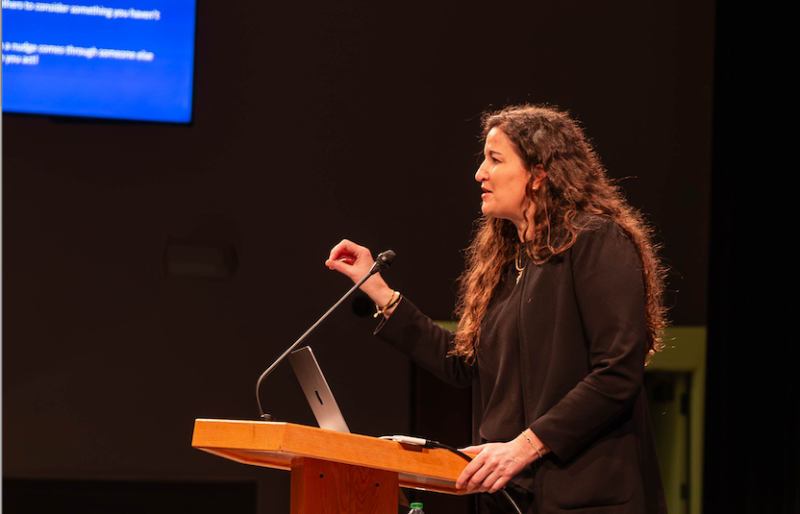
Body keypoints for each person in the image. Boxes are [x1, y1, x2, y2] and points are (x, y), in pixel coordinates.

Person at [325, 104, 669, 513]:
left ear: (540, 173)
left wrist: (524, 446)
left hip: (586, 499)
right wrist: (377, 288)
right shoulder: (509, 264)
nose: (480, 174)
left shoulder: (596, 241)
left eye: (495, 159)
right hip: (512, 498)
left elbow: (617, 372)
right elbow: (464, 365)